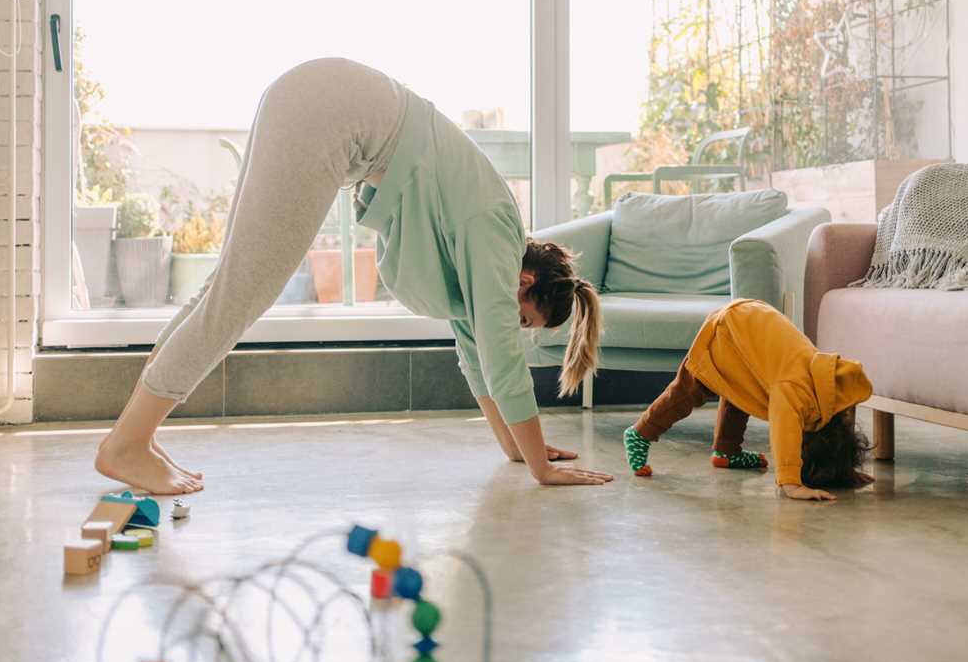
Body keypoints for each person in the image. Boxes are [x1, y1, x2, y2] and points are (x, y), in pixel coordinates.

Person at [94, 58, 612, 494]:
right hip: (326, 114)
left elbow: (475, 350)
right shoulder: (495, 230)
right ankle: (129, 443)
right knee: (240, 294)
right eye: (523, 319)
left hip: (314, 99)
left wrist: (515, 446)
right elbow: (498, 355)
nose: (511, 324)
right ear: (524, 282)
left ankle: (134, 435)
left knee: (225, 286)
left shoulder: (484, 228)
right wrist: (542, 470)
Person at [623, 299, 874, 501]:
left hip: (751, 321)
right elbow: (785, 430)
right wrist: (791, 483)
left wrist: (845, 472)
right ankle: (640, 432)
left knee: (746, 390)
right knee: (688, 390)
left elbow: (842, 426)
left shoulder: (829, 387)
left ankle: (727, 452)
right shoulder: (794, 390)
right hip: (726, 329)